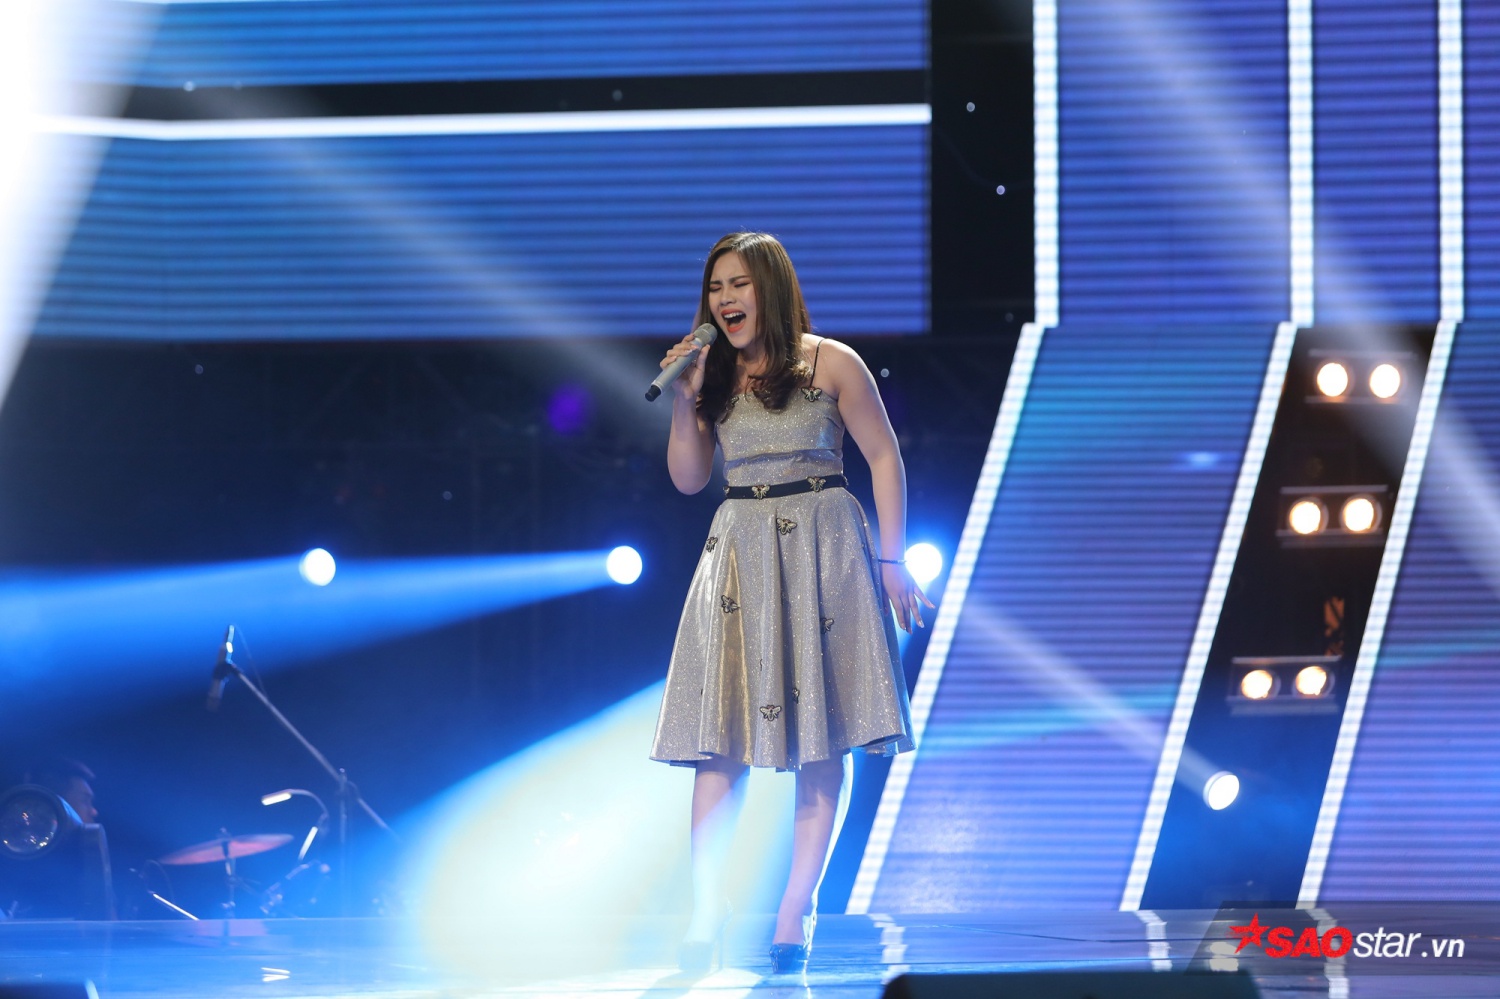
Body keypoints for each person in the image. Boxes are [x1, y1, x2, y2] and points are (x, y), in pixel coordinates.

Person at [650, 232, 932, 974]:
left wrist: (893, 559)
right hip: (740, 551)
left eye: (738, 284)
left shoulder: (830, 362)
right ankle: (707, 905)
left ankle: (794, 907)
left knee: (824, 738)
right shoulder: (711, 374)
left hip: (824, 546)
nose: (725, 299)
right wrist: (684, 401)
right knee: (718, 739)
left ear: (769, 287)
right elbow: (688, 478)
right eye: (716, 288)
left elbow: (883, 454)